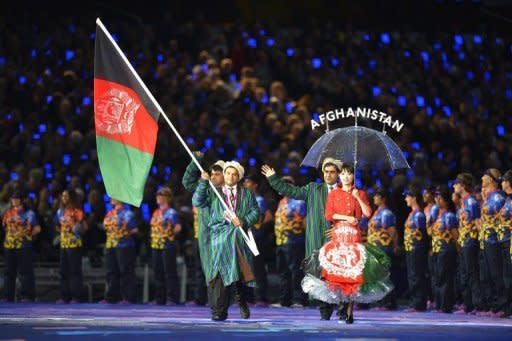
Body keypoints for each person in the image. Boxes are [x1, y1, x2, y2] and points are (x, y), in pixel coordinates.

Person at [301, 163, 393, 324]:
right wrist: (346, 218)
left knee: (353, 275)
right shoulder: (334, 193)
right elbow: (329, 215)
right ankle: (341, 305)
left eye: (349, 174)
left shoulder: (360, 193)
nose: (346, 176)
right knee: (339, 273)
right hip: (338, 236)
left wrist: (357, 197)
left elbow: (367, 213)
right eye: (343, 173)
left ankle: (349, 311)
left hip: (354, 237)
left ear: (353, 176)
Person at [261, 157, 342, 320]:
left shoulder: (345, 192)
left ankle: (341, 305)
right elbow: (291, 191)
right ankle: (324, 308)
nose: (328, 175)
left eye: (332, 172)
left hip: (337, 240)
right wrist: (273, 178)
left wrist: (341, 227)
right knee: (318, 274)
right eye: (326, 172)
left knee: (337, 273)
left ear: (338, 174)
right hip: (315, 239)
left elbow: (355, 215)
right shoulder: (313, 189)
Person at [193, 161, 258, 321]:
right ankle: (219, 311)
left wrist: (243, 220)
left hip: (238, 237)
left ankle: (241, 300)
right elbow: (197, 201)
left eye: (234, 174)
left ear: (239, 177)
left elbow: (255, 211)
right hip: (220, 238)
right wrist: (202, 182)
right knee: (220, 274)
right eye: (228, 173)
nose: (230, 176)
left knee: (239, 272)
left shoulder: (246, 194)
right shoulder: (214, 191)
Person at [181, 152, 225, 306]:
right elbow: (187, 182)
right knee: (203, 268)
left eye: (217, 174)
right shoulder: (205, 187)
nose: (213, 176)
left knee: (222, 269)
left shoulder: (229, 192)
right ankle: (204, 299)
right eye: (212, 173)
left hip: (222, 236)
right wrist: (195, 162)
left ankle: (225, 299)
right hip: (204, 235)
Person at [272, 175, 307, 307]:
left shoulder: (299, 202)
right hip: (280, 242)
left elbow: (305, 222)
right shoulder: (281, 202)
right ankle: (284, 300)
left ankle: (299, 299)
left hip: (294, 242)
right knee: (283, 271)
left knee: (296, 271)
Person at [1, 191, 41, 302]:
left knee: (25, 271)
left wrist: (26, 235)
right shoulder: (8, 213)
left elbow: (37, 229)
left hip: (23, 245)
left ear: (22, 200)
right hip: (9, 245)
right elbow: (5, 227)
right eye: (13, 199)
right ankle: (7, 296)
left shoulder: (29, 213)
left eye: (17, 198)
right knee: (9, 271)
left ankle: (27, 296)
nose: (14, 200)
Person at [479, 168, 507, 317]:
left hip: (495, 241)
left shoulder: (498, 198)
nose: (482, 178)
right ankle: (494, 305)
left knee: (497, 274)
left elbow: (502, 220)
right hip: (486, 240)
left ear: (490, 179)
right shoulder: (489, 197)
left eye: (484, 175)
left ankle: (503, 305)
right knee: (488, 274)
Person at [100, 198, 138, 304]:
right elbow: (104, 226)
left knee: (125, 271)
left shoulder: (127, 213)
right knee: (111, 271)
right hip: (110, 245)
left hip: (124, 245)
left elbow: (135, 229)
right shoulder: (110, 213)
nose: (111, 198)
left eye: (114, 196)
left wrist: (125, 233)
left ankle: (128, 297)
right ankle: (111, 297)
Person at [453, 173, 481, 314]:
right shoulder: (463, 202)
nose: (454, 186)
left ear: (462, 185)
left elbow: (477, 221)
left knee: (472, 272)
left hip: (471, 241)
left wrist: (480, 240)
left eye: (456, 183)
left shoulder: (471, 201)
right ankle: (467, 304)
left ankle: (477, 305)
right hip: (464, 242)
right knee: (464, 273)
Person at [243, 173, 273, 306]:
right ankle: (248, 297)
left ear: (255, 185)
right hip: (246, 238)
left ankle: (260, 297)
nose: (245, 184)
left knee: (257, 268)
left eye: (248, 182)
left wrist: (258, 227)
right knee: (246, 268)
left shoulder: (258, 200)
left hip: (255, 238)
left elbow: (262, 218)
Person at [367, 188, 398, 310]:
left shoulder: (386, 213)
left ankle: (388, 302)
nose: (374, 198)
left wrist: (394, 246)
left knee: (384, 275)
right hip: (374, 248)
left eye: (377, 196)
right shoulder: (377, 212)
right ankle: (380, 302)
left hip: (383, 248)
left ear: (383, 198)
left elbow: (392, 231)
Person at [150, 187, 181, 305]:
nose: (158, 197)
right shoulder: (155, 212)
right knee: (158, 272)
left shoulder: (171, 212)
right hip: (155, 244)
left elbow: (178, 226)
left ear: (167, 197)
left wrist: (170, 233)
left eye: (161, 195)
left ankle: (172, 298)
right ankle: (159, 298)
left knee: (169, 272)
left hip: (167, 245)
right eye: (157, 194)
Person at [56, 188, 88, 303]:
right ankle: (64, 296)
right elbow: (57, 225)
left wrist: (75, 228)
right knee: (63, 271)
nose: (63, 198)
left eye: (66, 196)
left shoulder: (78, 211)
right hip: (64, 244)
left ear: (72, 197)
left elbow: (84, 227)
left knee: (74, 271)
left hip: (74, 245)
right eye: (63, 196)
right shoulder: (60, 211)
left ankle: (76, 297)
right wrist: (62, 232)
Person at [431, 186, 459, 313]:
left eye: (439, 197)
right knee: (438, 277)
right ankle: (439, 304)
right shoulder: (437, 215)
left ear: (445, 201)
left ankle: (446, 305)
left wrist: (457, 248)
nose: (437, 199)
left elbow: (454, 234)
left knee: (445, 277)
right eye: (436, 197)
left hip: (446, 250)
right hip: (437, 249)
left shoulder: (449, 216)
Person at [403, 185, 429, 312]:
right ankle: (415, 301)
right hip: (411, 248)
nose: (405, 199)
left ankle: (418, 302)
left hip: (417, 248)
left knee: (417, 275)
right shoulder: (412, 213)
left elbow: (423, 233)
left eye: (407, 197)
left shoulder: (419, 214)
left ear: (413, 198)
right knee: (412, 275)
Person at [499, 170, 512, 316]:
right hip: (504, 240)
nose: (501, 183)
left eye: (503, 180)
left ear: (508, 182)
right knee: (506, 275)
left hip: (510, 240)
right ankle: (507, 306)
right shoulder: (507, 200)